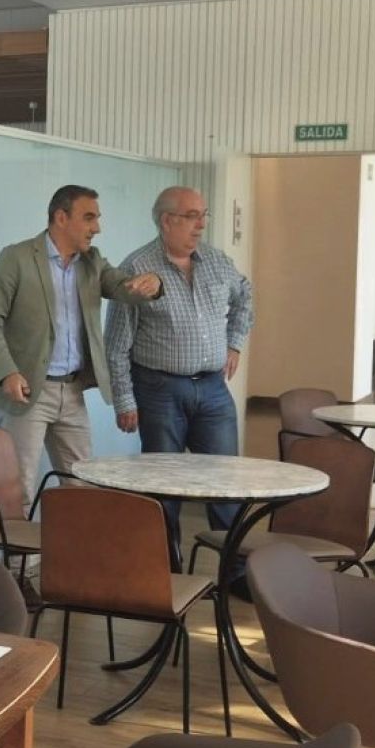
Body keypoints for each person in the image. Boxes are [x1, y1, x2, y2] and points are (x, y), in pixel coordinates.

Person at [0, 185, 162, 489]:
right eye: (89, 218)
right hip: (27, 391)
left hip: (72, 392)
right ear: (61, 217)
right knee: (18, 488)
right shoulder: (17, 258)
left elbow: (125, 288)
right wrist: (6, 372)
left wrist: (153, 284)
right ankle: (17, 525)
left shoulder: (92, 261)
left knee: (82, 486)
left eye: (97, 218)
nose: (97, 228)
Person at [107, 185, 254, 537]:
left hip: (213, 389)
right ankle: (164, 565)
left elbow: (245, 296)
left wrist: (234, 343)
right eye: (191, 216)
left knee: (226, 485)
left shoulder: (217, 261)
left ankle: (234, 563)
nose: (201, 224)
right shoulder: (137, 268)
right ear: (166, 221)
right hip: (159, 391)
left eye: (203, 215)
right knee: (162, 487)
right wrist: (124, 400)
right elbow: (116, 344)